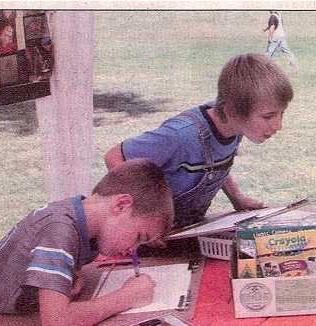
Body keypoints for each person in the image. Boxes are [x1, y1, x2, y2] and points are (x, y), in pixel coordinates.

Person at [0, 159, 174, 326]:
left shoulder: (77, 216)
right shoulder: (59, 230)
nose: (133, 249)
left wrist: (71, 272)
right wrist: (127, 297)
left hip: (14, 318)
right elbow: (57, 325)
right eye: (138, 237)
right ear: (121, 205)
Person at [105, 53, 293, 228]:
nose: (278, 126)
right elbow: (114, 156)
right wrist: (142, 215)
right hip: (142, 234)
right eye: (268, 116)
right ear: (232, 111)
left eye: (281, 114)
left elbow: (213, 162)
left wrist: (237, 198)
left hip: (181, 230)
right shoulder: (180, 135)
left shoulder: (234, 125)